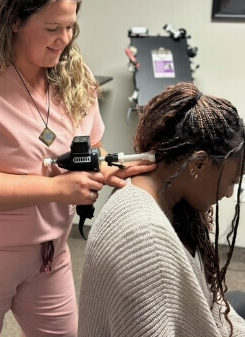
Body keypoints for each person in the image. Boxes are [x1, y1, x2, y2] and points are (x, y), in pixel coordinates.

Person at [0, 0, 155, 337]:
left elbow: (91, 147)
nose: (64, 40)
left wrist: (106, 167)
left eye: (70, 27)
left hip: (50, 255)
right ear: (14, 19)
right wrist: (54, 189)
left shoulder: (74, 78)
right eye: (51, 28)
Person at [78, 82, 245, 337]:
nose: (229, 193)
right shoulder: (146, 243)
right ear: (198, 164)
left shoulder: (145, 189)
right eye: (231, 181)